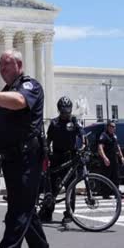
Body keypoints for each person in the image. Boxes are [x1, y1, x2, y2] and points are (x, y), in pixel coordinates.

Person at [0, 49, 49, 248]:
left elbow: (19, 102)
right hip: (10, 160)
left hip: (27, 159)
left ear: (19, 65)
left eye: (5, 64)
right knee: (26, 210)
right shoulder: (7, 91)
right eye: (0, 64)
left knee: (17, 214)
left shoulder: (29, 86)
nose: (1, 68)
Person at [40, 96, 85, 224]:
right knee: (54, 188)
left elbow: (82, 133)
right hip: (56, 158)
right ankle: (47, 212)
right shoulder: (54, 123)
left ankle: (69, 214)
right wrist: (46, 151)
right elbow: (48, 141)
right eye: (63, 111)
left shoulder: (74, 121)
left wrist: (84, 143)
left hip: (70, 157)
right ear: (59, 110)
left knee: (70, 187)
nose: (66, 114)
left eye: (68, 111)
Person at [98, 121, 124, 199]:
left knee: (116, 177)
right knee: (107, 177)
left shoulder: (114, 136)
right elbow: (100, 148)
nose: (114, 128)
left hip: (114, 159)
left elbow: (117, 146)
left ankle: (117, 193)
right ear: (108, 127)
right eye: (112, 126)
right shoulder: (104, 135)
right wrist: (105, 158)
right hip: (107, 160)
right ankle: (105, 194)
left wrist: (121, 156)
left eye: (114, 127)